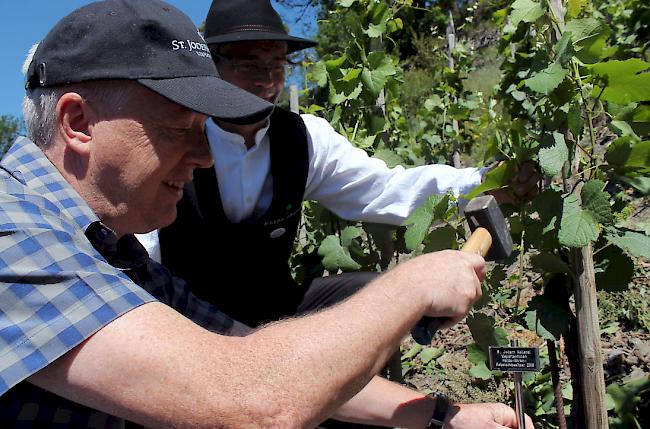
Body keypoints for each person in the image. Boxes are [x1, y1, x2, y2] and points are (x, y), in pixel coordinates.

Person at [0, 1, 538, 428]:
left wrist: (444, 416)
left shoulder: (112, 250)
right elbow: (251, 401)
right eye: (177, 129)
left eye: (275, 65)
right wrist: (409, 287)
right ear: (78, 123)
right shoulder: (13, 235)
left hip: (251, 338)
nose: (205, 153)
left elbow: (247, 356)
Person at [139, 0, 539, 330]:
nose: (267, 81)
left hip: (279, 314)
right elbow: (141, 256)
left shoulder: (303, 138)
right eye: (249, 65)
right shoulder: (177, 139)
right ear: (212, 64)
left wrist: (481, 182)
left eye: (276, 65)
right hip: (189, 324)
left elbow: (386, 189)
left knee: (382, 294)